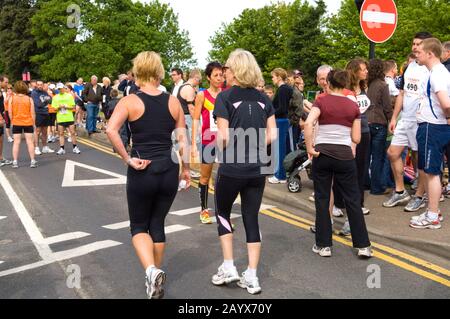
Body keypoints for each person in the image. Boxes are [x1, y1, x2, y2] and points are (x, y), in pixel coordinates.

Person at [106, 51, 190, 299]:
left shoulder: (130, 101)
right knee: (158, 224)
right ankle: (156, 280)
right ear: (159, 71)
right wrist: (186, 169)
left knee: (139, 225)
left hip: (142, 169)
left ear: (138, 71)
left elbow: (111, 129)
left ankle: (151, 271)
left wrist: (127, 158)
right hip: (168, 170)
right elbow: (182, 139)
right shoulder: (173, 102)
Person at [212, 49, 277, 295]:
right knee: (251, 217)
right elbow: (273, 134)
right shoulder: (264, 99)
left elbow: (224, 138)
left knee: (223, 213)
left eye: (227, 68)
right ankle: (252, 275)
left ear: (236, 70)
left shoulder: (225, 97)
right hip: (258, 167)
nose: (225, 72)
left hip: (232, 166)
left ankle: (229, 266)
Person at [304, 69, 372, 258]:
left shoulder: (321, 101)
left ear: (329, 83)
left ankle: (324, 245)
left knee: (323, 199)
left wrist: (310, 147)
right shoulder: (353, 106)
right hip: (344, 157)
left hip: (323, 154)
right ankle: (363, 246)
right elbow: (356, 138)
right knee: (352, 200)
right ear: (346, 85)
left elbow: (309, 123)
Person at [384, 32, 433, 210]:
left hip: (422, 121)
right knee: (392, 153)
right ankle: (400, 192)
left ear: (428, 46)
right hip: (406, 119)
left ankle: (420, 196)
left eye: (418, 44)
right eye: (413, 43)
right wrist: (395, 117)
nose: (414, 47)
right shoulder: (410, 67)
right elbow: (402, 93)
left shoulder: (432, 69)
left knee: (419, 159)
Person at [410, 38, 450, 229]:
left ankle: (432, 216)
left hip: (432, 127)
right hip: (434, 126)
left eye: (420, 51)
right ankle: (433, 211)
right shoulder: (438, 73)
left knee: (431, 173)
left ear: (430, 54)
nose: (416, 53)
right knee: (433, 171)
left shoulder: (437, 75)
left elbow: (447, 104)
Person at [191, 62, 224, 224]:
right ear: (208, 77)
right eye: (216, 75)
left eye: (221, 75)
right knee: (205, 177)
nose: (220, 78)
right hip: (208, 140)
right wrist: (193, 144)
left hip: (225, 141)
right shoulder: (202, 95)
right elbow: (196, 119)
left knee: (225, 178)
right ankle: (204, 210)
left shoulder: (226, 94)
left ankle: (222, 214)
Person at [366, 58, 392, 195]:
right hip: (379, 123)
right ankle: (376, 188)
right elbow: (387, 107)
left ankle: (365, 183)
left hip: (366, 122)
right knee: (377, 157)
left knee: (365, 156)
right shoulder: (383, 85)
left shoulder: (366, 85)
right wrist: (391, 121)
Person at [268, 68, 293, 184]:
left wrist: (270, 113)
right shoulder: (286, 89)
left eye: (273, 76)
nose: (272, 79)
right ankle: (281, 174)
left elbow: (282, 108)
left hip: (280, 121)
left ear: (278, 77)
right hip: (283, 121)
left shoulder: (282, 89)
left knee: (279, 149)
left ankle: (280, 175)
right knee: (281, 148)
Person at [177, 69, 202, 179]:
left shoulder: (183, 86)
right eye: (199, 80)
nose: (199, 82)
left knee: (184, 145)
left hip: (182, 118)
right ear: (195, 78)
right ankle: (189, 169)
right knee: (193, 143)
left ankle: (186, 169)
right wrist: (198, 124)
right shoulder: (189, 89)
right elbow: (191, 109)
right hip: (188, 118)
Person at [8, 81, 37, 168]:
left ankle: (15, 162)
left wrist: (12, 121)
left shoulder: (12, 98)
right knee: (30, 142)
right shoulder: (29, 99)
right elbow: (32, 113)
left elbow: (10, 112)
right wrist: (33, 123)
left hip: (16, 122)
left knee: (16, 142)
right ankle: (32, 161)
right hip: (28, 122)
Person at [52, 84, 81, 155]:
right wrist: (59, 107)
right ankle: (62, 148)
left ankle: (75, 147)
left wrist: (66, 106)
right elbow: (54, 109)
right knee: (61, 134)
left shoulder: (69, 96)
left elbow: (73, 107)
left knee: (73, 133)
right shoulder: (55, 97)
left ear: (64, 88)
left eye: (61, 88)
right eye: (58, 89)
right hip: (60, 118)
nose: (60, 90)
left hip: (69, 117)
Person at [31, 80, 54, 155]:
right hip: (38, 113)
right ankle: (36, 148)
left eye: (41, 85)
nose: (40, 86)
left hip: (46, 113)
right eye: (38, 85)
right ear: (36, 85)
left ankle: (45, 147)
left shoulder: (44, 92)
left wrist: (46, 100)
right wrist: (46, 100)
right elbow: (38, 104)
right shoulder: (34, 93)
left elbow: (51, 100)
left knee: (44, 131)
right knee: (37, 131)